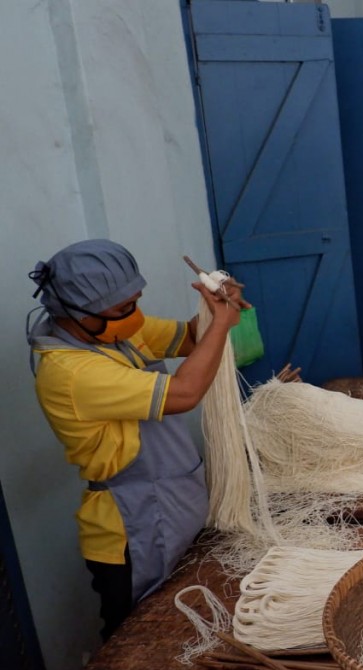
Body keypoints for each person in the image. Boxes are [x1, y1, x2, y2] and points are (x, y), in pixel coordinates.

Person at [26, 239, 248, 640]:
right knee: (139, 639)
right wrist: (222, 324)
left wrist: (217, 308)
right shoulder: (71, 372)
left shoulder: (114, 332)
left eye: (136, 300)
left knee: (187, 624)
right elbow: (184, 393)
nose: (134, 315)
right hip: (132, 530)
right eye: (121, 309)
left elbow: (191, 340)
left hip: (173, 507)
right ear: (76, 313)